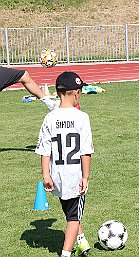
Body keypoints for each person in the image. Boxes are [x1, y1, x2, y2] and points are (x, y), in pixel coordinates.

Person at [35, 71, 94, 257]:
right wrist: (85, 176)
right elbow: (85, 151)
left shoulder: (50, 118)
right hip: (75, 176)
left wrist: (46, 175)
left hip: (57, 174)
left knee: (70, 210)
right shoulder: (82, 117)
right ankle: (66, 254)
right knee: (74, 217)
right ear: (76, 92)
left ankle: (81, 241)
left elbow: (45, 150)